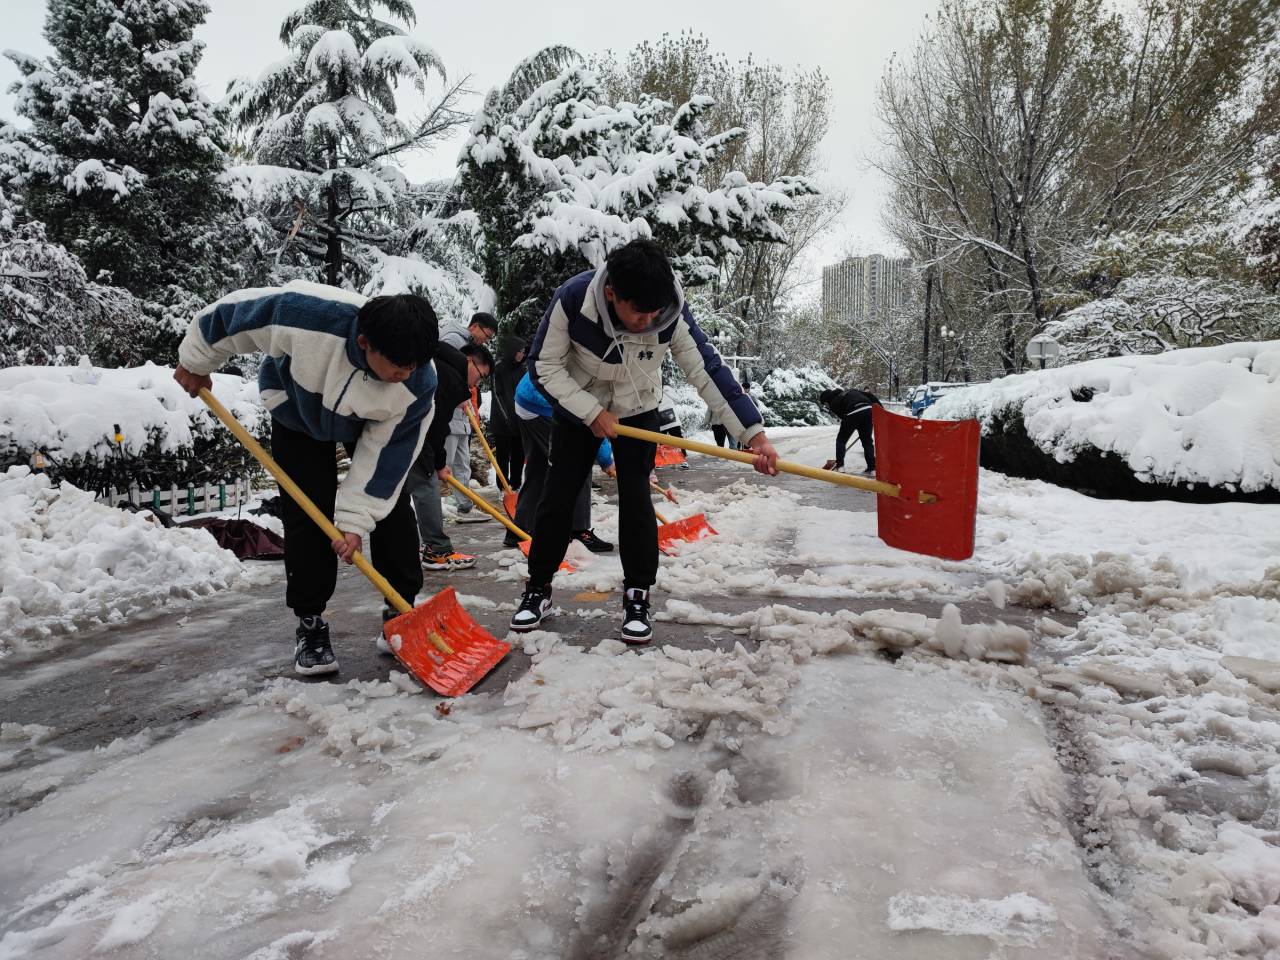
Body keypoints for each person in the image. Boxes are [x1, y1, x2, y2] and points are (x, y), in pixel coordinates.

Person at [510, 238, 778, 643]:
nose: (648, 321)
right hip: (578, 408)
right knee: (558, 498)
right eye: (639, 312)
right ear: (612, 294)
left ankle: (638, 595)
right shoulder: (572, 300)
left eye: (656, 312)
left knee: (636, 498)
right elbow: (543, 366)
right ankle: (538, 589)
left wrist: (753, 434)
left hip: (638, 410)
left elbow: (705, 368)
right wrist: (590, 412)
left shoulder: (669, 311)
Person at [172, 281, 438, 677]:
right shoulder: (308, 316)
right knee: (307, 514)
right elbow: (232, 317)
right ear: (364, 342)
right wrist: (196, 361)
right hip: (297, 410)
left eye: (413, 365)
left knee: (392, 509)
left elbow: (385, 464)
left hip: (361, 422)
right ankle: (311, 622)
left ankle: (399, 608)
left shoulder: (417, 385)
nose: (405, 374)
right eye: (397, 366)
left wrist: (353, 522)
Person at [405, 341, 495, 572]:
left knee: (404, 489)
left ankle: (412, 546)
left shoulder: (440, 362)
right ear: (469, 361)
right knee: (426, 484)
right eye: (480, 374)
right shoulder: (450, 378)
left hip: (402, 425)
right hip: (415, 430)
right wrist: (439, 463)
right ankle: (437, 550)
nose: (477, 382)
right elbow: (436, 425)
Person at [508, 371, 615, 554]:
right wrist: (607, 460)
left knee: (539, 466)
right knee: (579, 460)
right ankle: (578, 530)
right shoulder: (597, 373)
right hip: (545, 404)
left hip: (526, 398)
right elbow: (592, 422)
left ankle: (519, 529)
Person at [441, 312, 499, 522]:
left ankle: (465, 508)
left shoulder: (467, 344)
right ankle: (421, 510)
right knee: (441, 465)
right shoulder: (453, 339)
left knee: (462, 464)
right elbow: (445, 372)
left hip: (461, 415)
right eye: (487, 334)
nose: (486, 339)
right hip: (449, 414)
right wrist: (457, 394)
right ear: (475, 326)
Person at [489, 335, 527, 491]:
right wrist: (506, 417)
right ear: (513, 351)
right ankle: (503, 487)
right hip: (502, 422)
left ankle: (516, 486)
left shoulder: (522, 370)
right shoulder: (498, 368)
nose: (522, 355)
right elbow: (496, 394)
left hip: (519, 421)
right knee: (503, 457)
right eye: (520, 351)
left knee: (519, 455)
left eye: (523, 352)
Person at [819, 386, 883, 475]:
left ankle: (840, 466)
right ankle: (872, 469)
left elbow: (844, 417)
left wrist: (855, 424)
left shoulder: (833, 402)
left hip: (852, 412)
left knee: (841, 440)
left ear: (827, 399)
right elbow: (871, 396)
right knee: (867, 442)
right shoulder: (851, 391)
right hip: (868, 410)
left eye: (825, 403)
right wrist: (881, 410)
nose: (826, 405)